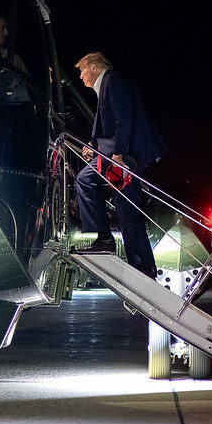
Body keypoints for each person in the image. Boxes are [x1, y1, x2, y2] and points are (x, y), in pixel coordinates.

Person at [73, 52, 166, 278]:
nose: (81, 76)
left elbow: (124, 118)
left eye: (82, 70)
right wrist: (92, 144)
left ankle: (133, 259)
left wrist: (119, 154)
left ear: (94, 67)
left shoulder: (113, 80)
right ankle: (140, 263)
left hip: (126, 155)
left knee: (91, 183)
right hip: (115, 154)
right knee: (123, 205)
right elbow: (111, 125)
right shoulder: (105, 87)